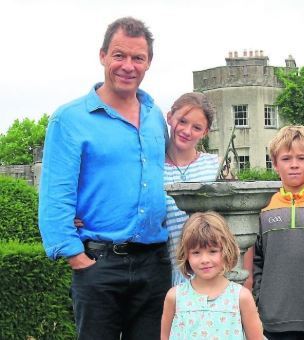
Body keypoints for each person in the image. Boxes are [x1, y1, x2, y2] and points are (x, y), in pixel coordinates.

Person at [38, 17, 170, 339]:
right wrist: (76, 256)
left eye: (138, 58)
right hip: (99, 264)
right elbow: (55, 195)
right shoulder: (69, 120)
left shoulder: (155, 118)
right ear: (102, 56)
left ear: (148, 62)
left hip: (154, 265)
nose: (128, 66)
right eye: (119, 55)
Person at [252, 125, 304, 340]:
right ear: (275, 164)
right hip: (274, 319)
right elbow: (256, 259)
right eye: (286, 159)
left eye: (302, 158)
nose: (294, 165)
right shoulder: (262, 206)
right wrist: (261, 298)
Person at [161, 211, 264, 340]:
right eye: (196, 252)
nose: (205, 259)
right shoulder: (175, 297)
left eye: (213, 251)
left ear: (226, 250)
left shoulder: (241, 297)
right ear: (186, 255)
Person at [164, 92, 219, 285]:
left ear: (205, 132)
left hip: (211, 276)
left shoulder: (215, 166)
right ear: (170, 117)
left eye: (197, 127)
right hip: (169, 275)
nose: (187, 131)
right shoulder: (153, 169)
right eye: (183, 121)